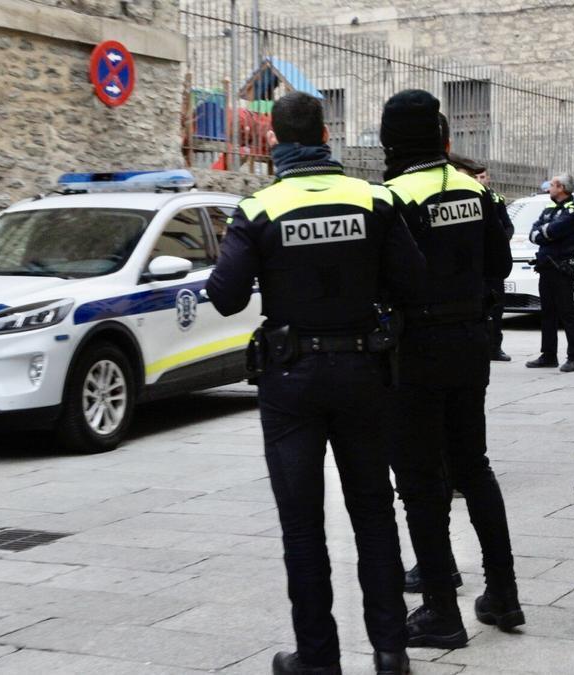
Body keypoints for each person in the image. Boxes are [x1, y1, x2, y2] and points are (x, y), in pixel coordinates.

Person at [206, 91, 425, 674]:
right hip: (362, 371)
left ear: (275, 141)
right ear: (326, 135)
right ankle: (390, 652)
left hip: (291, 378)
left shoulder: (258, 209)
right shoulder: (374, 199)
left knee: (302, 524)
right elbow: (412, 279)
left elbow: (225, 297)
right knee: (374, 511)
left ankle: (318, 659)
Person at [379, 89, 521, 648]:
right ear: (443, 138)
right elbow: (501, 263)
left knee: (418, 479)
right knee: (473, 467)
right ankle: (503, 593)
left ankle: (440, 608)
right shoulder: (476, 191)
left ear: (393, 142)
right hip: (470, 342)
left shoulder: (390, 198)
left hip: (414, 349)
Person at [450, 153, 515, 362]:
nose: (479, 180)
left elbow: (506, 226)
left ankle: (495, 347)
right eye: (475, 177)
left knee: (496, 308)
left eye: (482, 177)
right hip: (472, 265)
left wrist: (498, 241)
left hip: (491, 262)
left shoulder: (494, 199)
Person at [526, 173, 574, 372]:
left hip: (562, 268)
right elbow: (533, 232)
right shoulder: (550, 208)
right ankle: (548, 354)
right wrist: (543, 233)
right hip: (546, 267)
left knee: (567, 313)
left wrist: (543, 233)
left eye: (551, 185)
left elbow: (552, 232)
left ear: (561, 188)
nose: (548, 188)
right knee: (547, 312)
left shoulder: (573, 210)